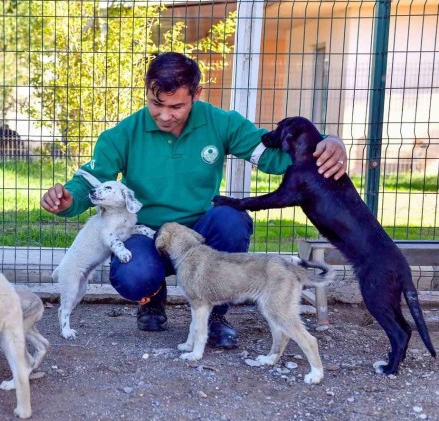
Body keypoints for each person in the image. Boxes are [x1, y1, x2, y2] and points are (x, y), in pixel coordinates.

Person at [40, 52, 347, 348]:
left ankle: (215, 316)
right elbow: (90, 181)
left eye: (176, 106)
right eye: (156, 103)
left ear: (196, 94)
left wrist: (326, 144)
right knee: (132, 276)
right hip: (147, 234)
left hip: (199, 234)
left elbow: (272, 158)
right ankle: (153, 297)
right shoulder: (123, 134)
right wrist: (67, 199)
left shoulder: (221, 122)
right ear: (147, 91)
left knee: (232, 220)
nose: (164, 115)